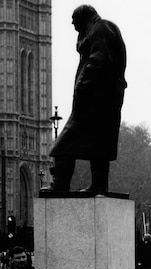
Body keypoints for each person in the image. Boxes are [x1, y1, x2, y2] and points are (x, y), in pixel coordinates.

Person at [43, 5, 127, 193]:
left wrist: (82, 85)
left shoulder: (100, 28)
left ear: (83, 17)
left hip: (94, 100)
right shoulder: (105, 28)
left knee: (63, 145)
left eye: (74, 21)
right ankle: (99, 185)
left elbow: (98, 60)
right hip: (104, 99)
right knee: (100, 145)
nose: (73, 25)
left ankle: (60, 185)